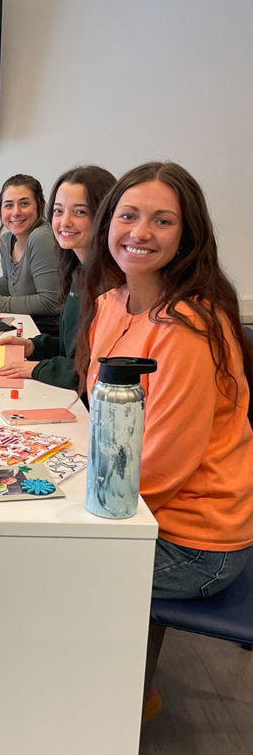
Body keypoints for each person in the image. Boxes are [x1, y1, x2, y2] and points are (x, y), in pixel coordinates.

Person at [76, 161, 253, 600]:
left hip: (192, 543)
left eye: (163, 221)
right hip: (136, 506)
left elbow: (162, 466)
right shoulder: (109, 304)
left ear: (186, 236)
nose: (140, 233)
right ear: (108, 223)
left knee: (32, 561)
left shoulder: (186, 329)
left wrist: (73, 508)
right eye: (128, 216)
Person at [0, 166, 116, 389]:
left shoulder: (114, 285)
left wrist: (39, 367)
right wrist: (34, 347)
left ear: (104, 216)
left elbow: (99, 370)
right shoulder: (78, 271)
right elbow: (75, 348)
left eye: (80, 212)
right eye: (59, 211)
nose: (65, 222)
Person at [0, 174, 61, 334]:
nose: (16, 212)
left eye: (24, 203)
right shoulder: (6, 240)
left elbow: (50, 302)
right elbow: (10, 281)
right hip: (25, 322)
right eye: (9, 205)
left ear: (39, 205)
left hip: (46, 332)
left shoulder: (41, 238)